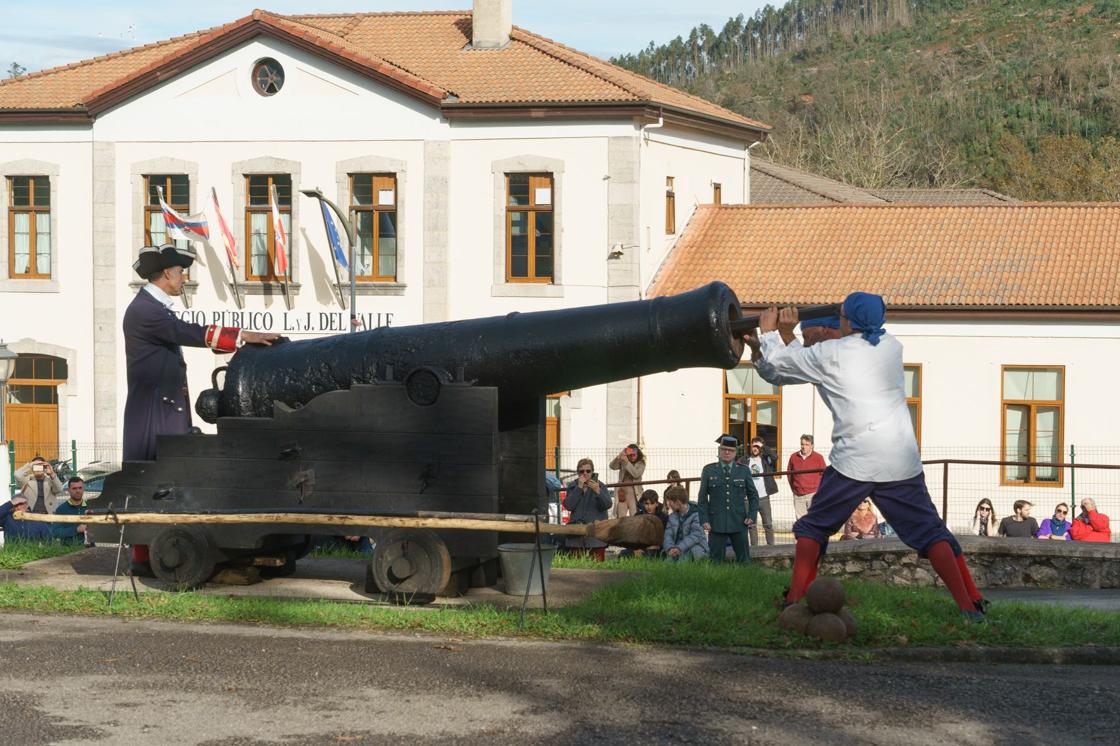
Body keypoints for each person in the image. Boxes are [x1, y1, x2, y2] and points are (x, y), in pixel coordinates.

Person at [757, 294, 987, 620]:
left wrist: (771, 334)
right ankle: (971, 606)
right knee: (932, 533)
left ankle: (793, 600)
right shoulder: (890, 346)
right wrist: (790, 338)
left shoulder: (832, 354)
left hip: (856, 461)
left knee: (813, 527)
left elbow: (780, 366)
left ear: (842, 324)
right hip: (900, 459)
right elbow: (807, 362)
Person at [123, 244, 279, 575]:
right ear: (166, 274)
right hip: (154, 410)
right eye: (180, 273)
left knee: (168, 479)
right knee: (153, 479)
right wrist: (241, 337)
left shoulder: (155, 307)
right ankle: (144, 556)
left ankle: (159, 548)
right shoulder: (145, 310)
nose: (183, 279)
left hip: (164, 407)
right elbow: (188, 333)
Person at [697, 434, 758, 564]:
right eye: (723, 449)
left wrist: (752, 515)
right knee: (715, 563)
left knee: (744, 562)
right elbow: (702, 499)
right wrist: (704, 519)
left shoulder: (744, 471)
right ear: (719, 451)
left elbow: (753, 495)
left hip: (739, 522)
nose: (726, 452)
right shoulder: (708, 470)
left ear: (735, 453)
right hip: (716, 523)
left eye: (730, 450)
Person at [562, 458, 612, 561]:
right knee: (576, 567)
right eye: (582, 471)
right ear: (578, 473)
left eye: (588, 471)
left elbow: (607, 504)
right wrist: (579, 488)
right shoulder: (573, 486)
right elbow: (568, 506)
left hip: (596, 537)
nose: (585, 474)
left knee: (597, 568)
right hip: (576, 537)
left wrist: (598, 491)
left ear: (592, 472)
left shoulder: (600, 485)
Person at [739, 436, 777, 547]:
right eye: (753, 445)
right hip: (749, 498)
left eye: (757, 446)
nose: (755, 448)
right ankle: (754, 549)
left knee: (768, 524)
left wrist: (763, 446)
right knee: (751, 525)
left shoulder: (765, 460)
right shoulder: (744, 460)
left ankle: (771, 548)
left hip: (763, 497)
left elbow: (775, 457)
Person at [662, 485, 708, 561]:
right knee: (668, 564)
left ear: (677, 502)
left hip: (693, 548)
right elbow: (668, 535)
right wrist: (670, 548)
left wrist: (679, 548)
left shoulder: (696, 514)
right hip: (676, 548)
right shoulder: (672, 517)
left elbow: (695, 536)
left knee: (682, 562)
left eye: (670, 502)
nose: (668, 504)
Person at [787, 434, 826, 521]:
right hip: (798, 495)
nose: (804, 447)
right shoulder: (793, 457)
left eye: (807, 444)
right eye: (802, 444)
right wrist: (795, 489)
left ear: (812, 446)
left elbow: (824, 475)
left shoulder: (819, 458)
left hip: (813, 494)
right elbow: (789, 475)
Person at [608, 444, 646, 518]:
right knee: (620, 518)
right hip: (622, 494)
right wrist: (618, 457)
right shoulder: (623, 461)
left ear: (638, 454)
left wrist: (627, 462)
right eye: (630, 455)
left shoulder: (641, 463)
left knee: (634, 517)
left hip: (634, 494)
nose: (632, 457)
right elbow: (612, 466)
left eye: (634, 455)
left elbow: (636, 474)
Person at [52, 477, 92, 545]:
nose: (78, 491)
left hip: (90, 548)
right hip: (68, 548)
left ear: (83, 489)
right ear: (68, 490)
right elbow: (56, 532)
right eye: (74, 488)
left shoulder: (90, 507)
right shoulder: (61, 509)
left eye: (80, 488)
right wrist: (76, 529)